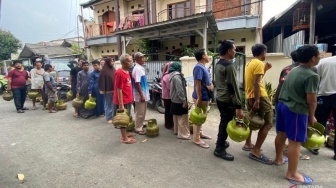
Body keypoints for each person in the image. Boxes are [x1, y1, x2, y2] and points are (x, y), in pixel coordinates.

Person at [274, 45, 320, 185]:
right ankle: (292, 173)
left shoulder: (292, 70)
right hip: (295, 110)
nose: (319, 57)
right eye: (318, 54)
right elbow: (311, 100)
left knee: (281, 134)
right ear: (313, 58)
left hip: (282, 105)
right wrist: (311, 116)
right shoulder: (311, 75)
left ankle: (278, 159)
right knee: (295, 142)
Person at [274, 50, 310, 160]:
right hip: (294, 105)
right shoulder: (305, 71)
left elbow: (280, 84)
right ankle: (293, 154)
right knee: (294, 137)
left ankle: (279, 157)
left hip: (280, 100)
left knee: (282, 132)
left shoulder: (286, 69)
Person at [244, 43, 273, 164]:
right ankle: (256, 151)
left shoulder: (250, 63)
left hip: (249, 96)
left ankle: (248, 143)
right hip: (260, 96)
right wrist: (257, 101)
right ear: (263, 53)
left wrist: (265, 70)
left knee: (251, 120)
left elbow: (256, 81)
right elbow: (257, 83)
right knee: (268, 123)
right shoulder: (259, 63)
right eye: (266, 52)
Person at [213, 40, 243, 161]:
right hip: (227, 100)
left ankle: (221, 142)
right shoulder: (229, 65)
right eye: (234, 49)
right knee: (225, 123)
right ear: (229, 51)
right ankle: (219, 149)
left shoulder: (218, 64)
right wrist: (239, 106)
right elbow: (233, 87)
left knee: (223, 121)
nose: (235, 51)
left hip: (220, 98)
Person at [313, 55, 336, 160]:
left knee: (320, 123)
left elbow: (315, 78)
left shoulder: (323, 62)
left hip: (323, 96)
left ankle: (315, 146)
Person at [192, 49, 213, 149]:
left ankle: (200, 133)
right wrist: (199, 97)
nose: (208, 56)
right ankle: (196, 138)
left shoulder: (202, 67)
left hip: (204, 96)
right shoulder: (198, 68)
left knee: (202, 116)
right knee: (198, 117)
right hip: (201, 96)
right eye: (207, 54)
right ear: (203, 56)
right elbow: (197, 83)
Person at [113, 54, 136, 144]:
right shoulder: (119, 73)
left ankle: (125, 134)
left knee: (127, 118)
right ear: (123, 63)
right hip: (122, 101)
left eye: (131, 60)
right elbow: (119, 89)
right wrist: (121, 104)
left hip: (128, 99)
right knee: (123, 119)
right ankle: (124, 138)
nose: (131, 62)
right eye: (129, 61)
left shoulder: (127, 71)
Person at [169, 62, 190, 139]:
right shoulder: (177, 77)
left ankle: (177, 131)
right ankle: (183, 135)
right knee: (182, 118)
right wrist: (184, 100)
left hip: (175, 99)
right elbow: (180, 90)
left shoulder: (172, 75)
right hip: (179, 100)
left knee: (176, 116)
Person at [132, 52, 150, 135]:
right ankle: (138, 128)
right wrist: (141, 95)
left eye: (144, 57)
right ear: (137, 59)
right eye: (142, 58)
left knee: (143, 111)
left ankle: (141, 123)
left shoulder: (140, 68)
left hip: (143, 93)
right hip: (140, 95)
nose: (144, 59)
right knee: (140, 112)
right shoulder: (137, 69)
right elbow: (137, 83)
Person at [98, 58, 116, 123]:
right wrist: (103, 88)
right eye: (111, 61)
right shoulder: (104, 71)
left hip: (114, 89)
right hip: (108, 90)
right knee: (108, 104)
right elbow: (100, 80)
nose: (112, 63)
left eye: (113, 61)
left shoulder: (113, 69)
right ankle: (108, 118)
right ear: (108, 62)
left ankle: (113, 116)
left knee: (113, 104)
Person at [161, 62, 174, 130]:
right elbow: (170, 87)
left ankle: (168, 124)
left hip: (166, 96)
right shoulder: (167, 76)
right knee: (169, 111)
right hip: (168, 96)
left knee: (168, 110)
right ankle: (169, 125)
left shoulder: (165, 75)